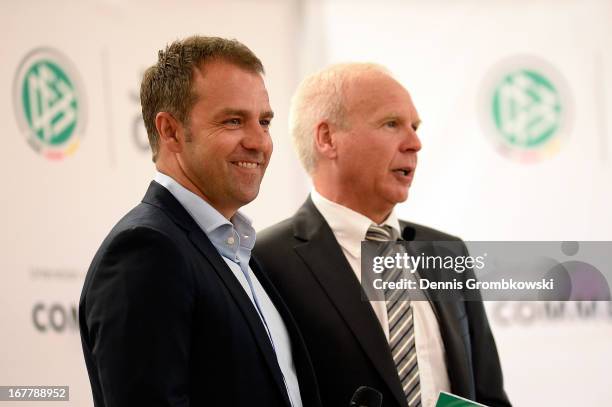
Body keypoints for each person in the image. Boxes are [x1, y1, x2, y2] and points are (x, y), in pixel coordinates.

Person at [79, 36, 320, 407]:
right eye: (233, 121)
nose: (259, 142)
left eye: (265, 121)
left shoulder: (239, 252)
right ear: (170, 130)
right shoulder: (145, 250)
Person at [254, 63, 511, 407]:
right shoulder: (266, 261)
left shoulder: (448, 252)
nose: (415, 143)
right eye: (392, 124)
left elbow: (490, 395)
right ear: (327, 138)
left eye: (415, 127)